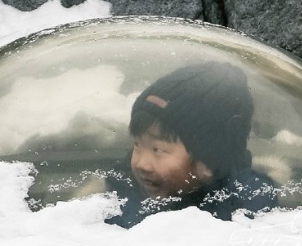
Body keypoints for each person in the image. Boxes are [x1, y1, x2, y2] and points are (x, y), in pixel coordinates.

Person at [105, 61, 278, 227]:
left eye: (158, 149)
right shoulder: (122, 189)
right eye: (137, 144)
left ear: (209, 161)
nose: (142, 163)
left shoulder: (245, 207)